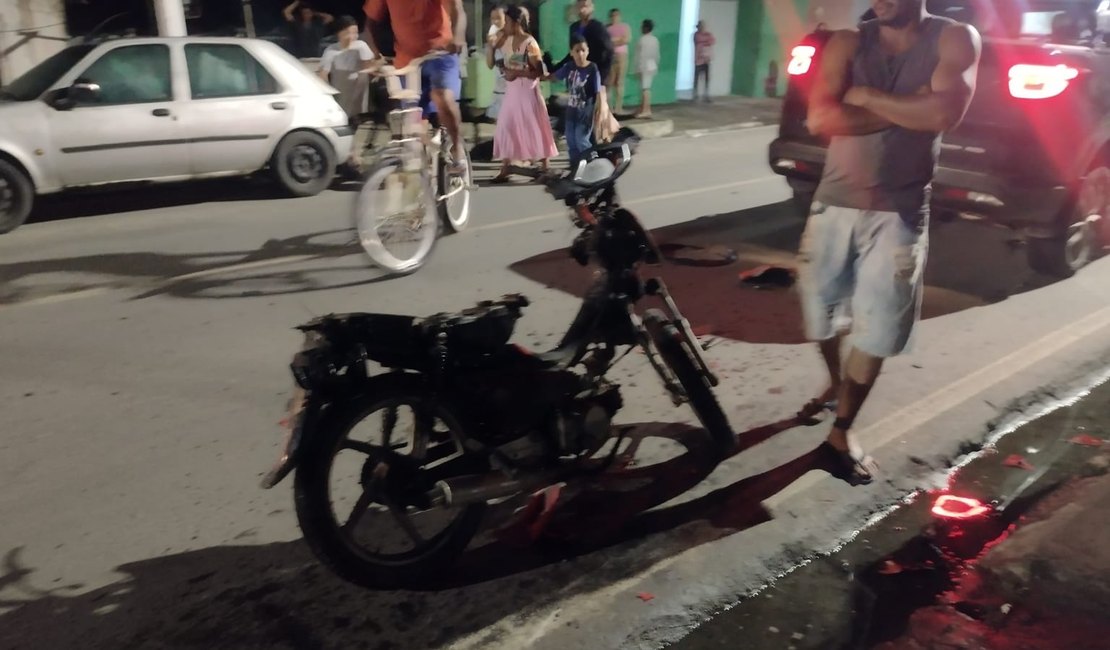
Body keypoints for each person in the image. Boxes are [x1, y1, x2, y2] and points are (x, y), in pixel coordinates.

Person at [798, 0, 981, 484]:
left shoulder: (954, 38)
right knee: (823, 315)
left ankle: (842, 430)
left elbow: (945, 112)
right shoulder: (848, 41)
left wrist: (865, 96)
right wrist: (907, 108)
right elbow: (820, 119)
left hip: (898, 212)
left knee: (876, 328)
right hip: (834, 201)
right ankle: (835, 384)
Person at [363, 0, 469, 173]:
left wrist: (457, 36)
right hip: (408, 60)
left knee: (442, 96)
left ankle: (457, 149)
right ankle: (422, 171)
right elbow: (369, 24)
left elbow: (457, 9)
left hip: (441, 53)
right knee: (412, 120)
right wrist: (375, 55)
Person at [490, 5, 558, 183]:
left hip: (527, 92)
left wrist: (517, 73)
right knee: (506, 125)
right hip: (512, 92)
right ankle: (505, 167)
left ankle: (545, 165)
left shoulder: (530, 43)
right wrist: (493, 47)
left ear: (515, 22)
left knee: (533, 125)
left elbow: (539, 72)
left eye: (506, 21)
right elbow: (490, 61)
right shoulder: (504, 40)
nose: (503, 25)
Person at [319, 15, 376, 169]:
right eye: (348, 32)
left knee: (355, 122)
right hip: (340, 91)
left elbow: (368, 67)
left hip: (358, 89)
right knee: (344, 123)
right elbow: (323, 74)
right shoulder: (331, 50)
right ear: (339, 33)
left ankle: (353, 155)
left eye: (355, 32)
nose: (352, 36)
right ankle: (348, 156)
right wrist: (328, 93)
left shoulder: (361, 46)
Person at [549, 35, 603, 170]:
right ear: (571, 52)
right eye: (577, 50)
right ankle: (575, 166)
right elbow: (554, 77)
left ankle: (592, 165)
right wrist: (537, 72)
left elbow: (598, 93)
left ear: (588, 51)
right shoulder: (569, 67)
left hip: (585, 114)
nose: (580, 54)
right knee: (571, 142)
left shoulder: (592, 69)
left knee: (582, 140)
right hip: (571, 113)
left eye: (583, 50)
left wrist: (599, 112)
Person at [558, 0, 614, 88]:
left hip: (594, 74)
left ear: (592, 7)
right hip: (577, 76)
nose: (582, 10)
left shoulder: (598, 27)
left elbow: (608, 51)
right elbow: (572, 53)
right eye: (580, 6)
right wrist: (555, 69)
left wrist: (602, 77)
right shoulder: (574, 28)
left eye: (585, 6)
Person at [606, 8, 631, 114]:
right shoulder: (606, 28)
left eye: (616, 15)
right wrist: (618, 40)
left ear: (620, 16)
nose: (614, 17)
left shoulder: (625, 27)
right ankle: (609, 108)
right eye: (613, 15)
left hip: (622, 55)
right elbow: (606, 41)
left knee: (619, 82)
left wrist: (614, 41)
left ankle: (618, 107)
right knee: (610, 83)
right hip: (610, 56)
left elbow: (627, 39)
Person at [485, 5, 507, 120]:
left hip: (513, 90)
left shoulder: (514, 38)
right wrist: (490, 46)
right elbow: (490, 64)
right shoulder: (493, 38)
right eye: (493, 18)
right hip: (499, 90)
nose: (495, 21)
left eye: (498, 18)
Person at [634, 19, 659, 118]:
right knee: (646, 88)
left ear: (645, 28)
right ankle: (643, 108)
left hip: (644, 66)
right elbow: (657, 55)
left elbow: (640, 56)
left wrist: (637, 68)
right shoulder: (655, 39)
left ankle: (646, 110)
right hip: (651, 65)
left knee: (645, 89)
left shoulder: (642, 40)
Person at [693, 20, 716, 102]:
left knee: (706, 78)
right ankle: (695, 95)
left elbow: (712, 41)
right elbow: (700, 41)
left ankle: (706, 95)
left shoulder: (708, 34)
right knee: (696, 78)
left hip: (706, 60)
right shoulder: (696, 35)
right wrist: (706, 41)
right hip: (698, 59)